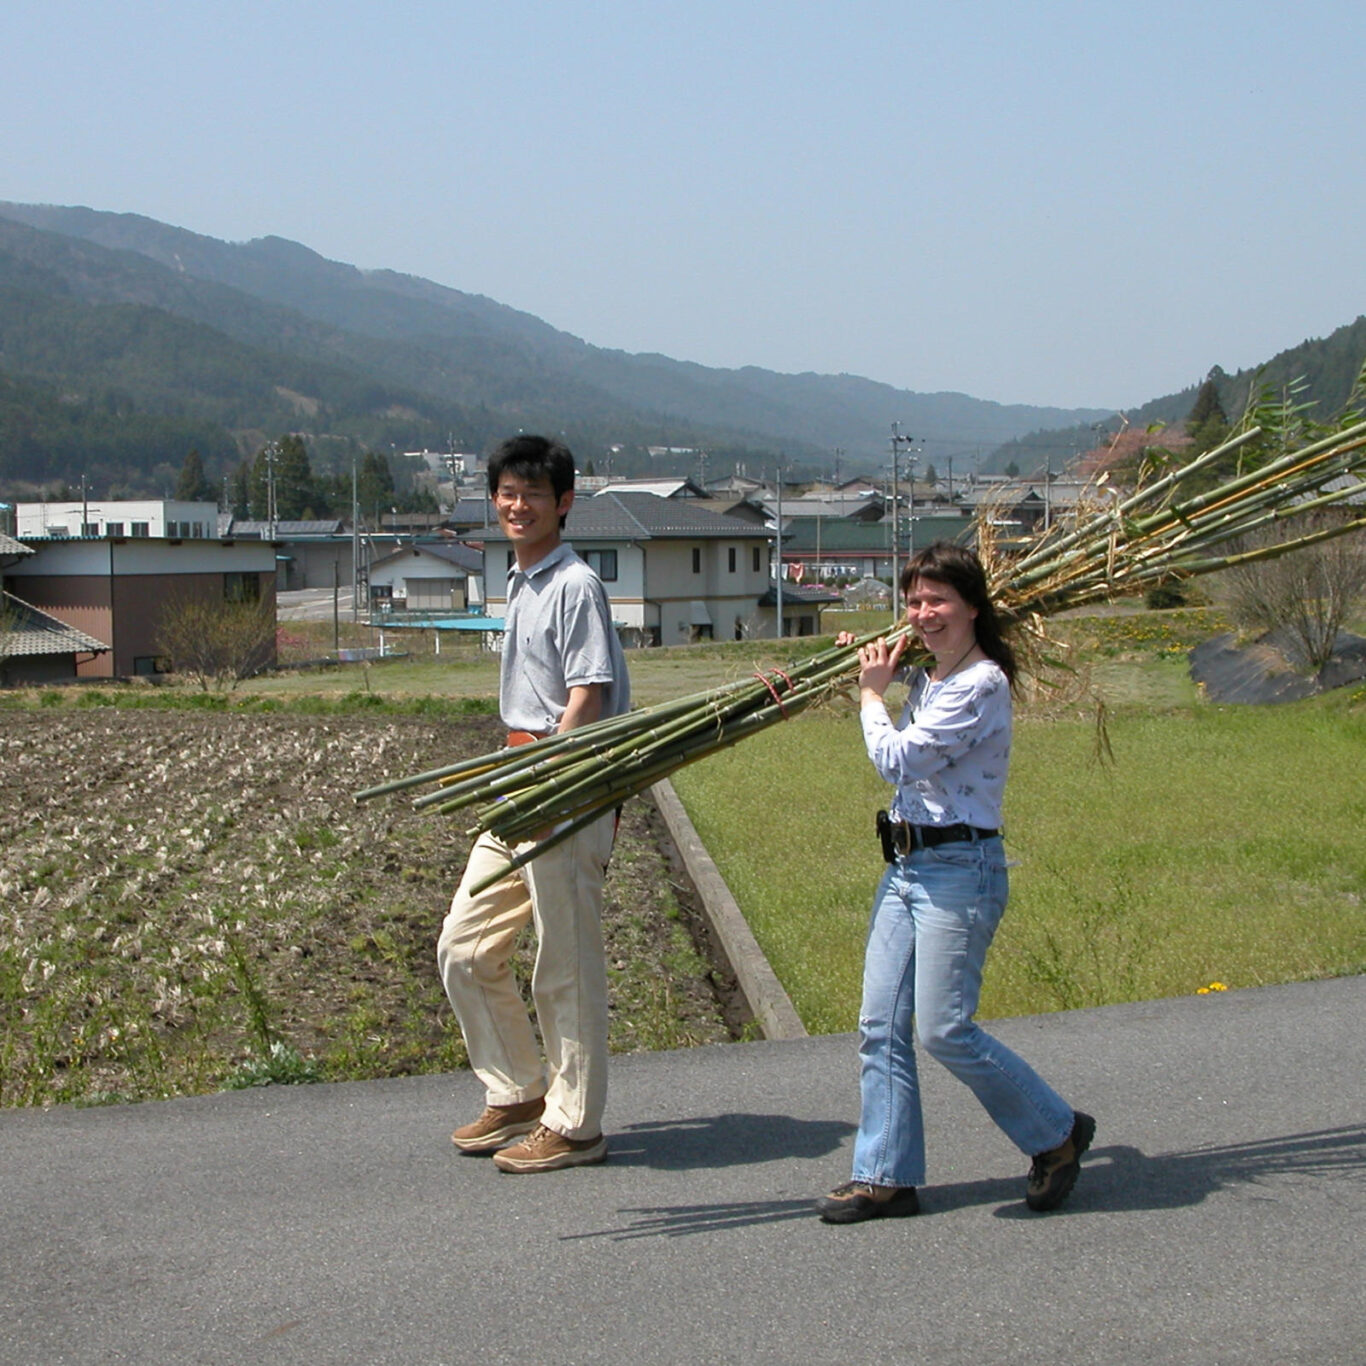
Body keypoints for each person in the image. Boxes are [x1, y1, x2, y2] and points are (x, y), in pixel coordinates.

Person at [817, 542, 1094, 1223]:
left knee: (943, 1029)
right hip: (907, 865)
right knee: (880, 1025)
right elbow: (898, 687)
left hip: (959, 872)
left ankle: (1055, 1133)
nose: (923, 613)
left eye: (937, 600)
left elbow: (899, 759)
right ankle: (884, 1176)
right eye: (913, 601)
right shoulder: (934, 677)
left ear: (973, 605)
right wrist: (868, 661)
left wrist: (871, 695)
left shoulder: (982, 683)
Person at [436, 434, 630, 1174]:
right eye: (509, 494)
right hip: (519, 776)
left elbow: (589, 694)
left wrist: (551, 775)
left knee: (565, 962)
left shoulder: (574, 583)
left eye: (535, 495)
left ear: (565, 504)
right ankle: (518, 1090)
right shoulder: (520, 581)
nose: (518, 506)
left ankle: (576, 1125)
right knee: (464, 946)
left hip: (565, 781)